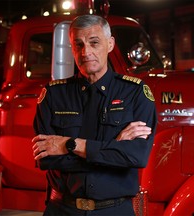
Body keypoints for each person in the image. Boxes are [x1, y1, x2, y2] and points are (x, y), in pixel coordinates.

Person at [32, 14, 157, 215]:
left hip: (115, 210)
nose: (86, 52)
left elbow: (137, 156)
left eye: (94, 42)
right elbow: (46, 159)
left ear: (110, 44)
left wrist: (69, 145)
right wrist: (114, 146)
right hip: (62, 210)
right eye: (78, 44)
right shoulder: (53, 95)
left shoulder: (135, 93)